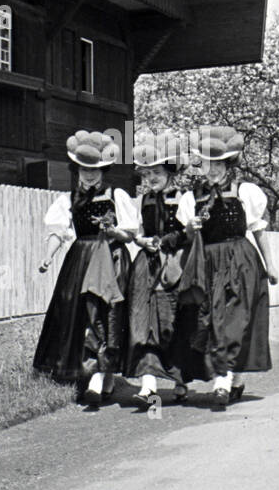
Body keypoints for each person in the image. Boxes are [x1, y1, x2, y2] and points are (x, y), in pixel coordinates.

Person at [33, 130, 138, 408]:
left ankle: (101, 377)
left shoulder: (117, 195)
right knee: (78, 313)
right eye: (84, 169)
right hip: (81, 258)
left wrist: (113, 230)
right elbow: (58, 232)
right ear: (77, 170)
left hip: (111, 258)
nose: (89, 175)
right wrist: (48, 257)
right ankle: (88, 374)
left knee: (108, 315)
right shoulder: (68, 200)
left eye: (95, 170)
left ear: (103, 170)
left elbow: (129, 235)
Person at [183, 126, 278, 410]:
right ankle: (226, 380)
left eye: (218, 163)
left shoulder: (245, 191)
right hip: (209, 262)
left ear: (227, 164)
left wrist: (270, 265)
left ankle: (228, 380)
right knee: (214, 319)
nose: (212, 169)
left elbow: (258, 230)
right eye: (208, 163)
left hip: (241, 261)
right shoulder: (192, 196)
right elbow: (188, 235)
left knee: (237, 319)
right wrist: (192, 227)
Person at [125, 134, 206, 409]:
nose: (151, 179)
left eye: (157, 173)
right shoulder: (143, 200)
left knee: (172, 323)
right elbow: (136, 232)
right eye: (147, 174)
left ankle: (180, 380)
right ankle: (149, 387)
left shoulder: (184, 199)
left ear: (169, 173)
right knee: (145, 323)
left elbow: (189, 233)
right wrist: (142, 241)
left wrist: (170, 241)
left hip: (174, 266)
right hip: (147, 266)